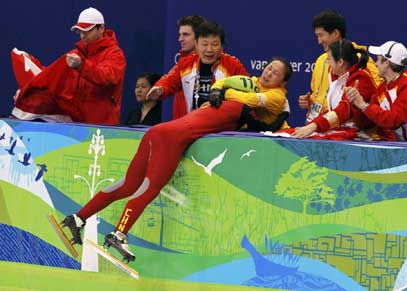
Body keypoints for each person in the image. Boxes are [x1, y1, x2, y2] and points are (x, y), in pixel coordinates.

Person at [61, 57, 293, 261]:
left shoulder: (264, 98)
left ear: (282, 82)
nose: (268, 72)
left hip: (158, 132)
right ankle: (119, 233)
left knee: (128, 184)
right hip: (170, 139)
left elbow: (254, 107)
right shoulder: (245, 94)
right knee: (148, 189)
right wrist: (221, 90)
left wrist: (223, 92)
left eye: (275, 72)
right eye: (269, 68)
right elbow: (236, 97)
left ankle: (78, 217)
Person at [11, 7, 126, 125]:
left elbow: (108, 77)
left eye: (87, 31)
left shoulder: (115, 54)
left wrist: (82, 65)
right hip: (76, 125)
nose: (82, 36)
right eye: (80, 31)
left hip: (104, 127)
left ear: (101, 28)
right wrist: (27, 91)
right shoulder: (76, 54)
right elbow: (51, 77)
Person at [346, 41, 407, 144]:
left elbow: (393, 120)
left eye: (378, 60)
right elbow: (368, 124)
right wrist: (356, 103)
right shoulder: (382, 88)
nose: (375, 64)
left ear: (387, 63)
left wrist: (364, 105)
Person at [149, 21, 249, 120]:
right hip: (189, 124)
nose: (209, 49)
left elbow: (248, 91)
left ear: (222, 47)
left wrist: (223, 102)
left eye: (214, 44)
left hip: (222, 127)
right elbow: (169, 81)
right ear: (196, 45)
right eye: (204, 44)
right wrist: (160, 89)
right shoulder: (185, 64)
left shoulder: (233, 65)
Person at [298, 10, 381, 125]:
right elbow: (320, 95)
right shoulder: (321, 60)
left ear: (336, 33)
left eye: (321, 35)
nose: (319, 41)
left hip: (346, 129)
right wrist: (310, 101)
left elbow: (378, 95)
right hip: (319, 125)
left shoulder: (359, 59)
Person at [292, 39, 380, 140]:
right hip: (345, 131)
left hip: (366, 137)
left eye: (329, 59)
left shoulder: (360, 80)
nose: (327, 63)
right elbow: (333, 111)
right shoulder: (337, 77)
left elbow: (343, 110)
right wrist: (312, 124)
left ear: (340, 62)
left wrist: (314, 126)